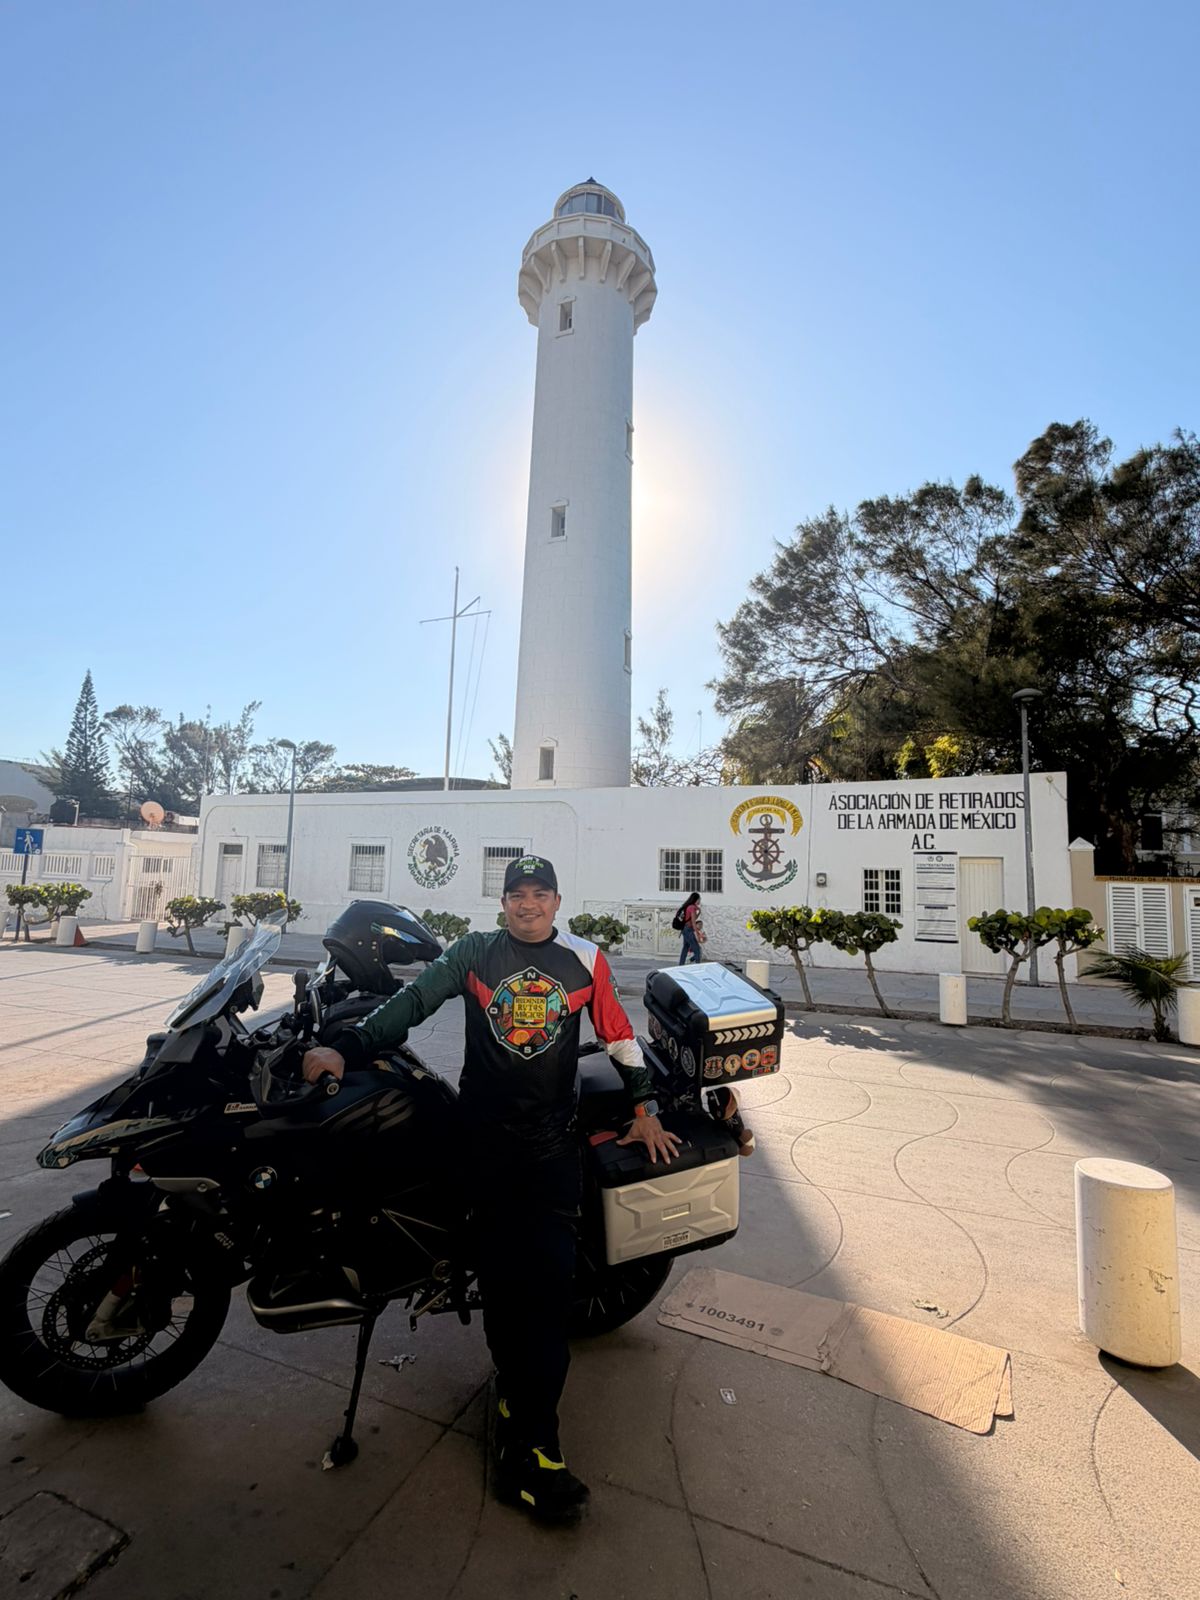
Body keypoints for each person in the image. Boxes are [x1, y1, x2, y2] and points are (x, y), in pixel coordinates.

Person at [301, 853, 680, 1523]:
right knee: (507, 1283)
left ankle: (533, 1446)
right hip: (484, 1140)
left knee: (542, 1291)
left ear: (558, 901)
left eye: (539, 894)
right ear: (503, 901)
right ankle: (518, 1405)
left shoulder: (584, 959)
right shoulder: (476, 953)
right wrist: (350, 1045)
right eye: (516, 894)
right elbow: (412, 1003)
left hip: (549, 1147)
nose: (527, 904)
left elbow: (618, 1039)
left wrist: (645, 1105)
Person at [678, 891, 704, 963]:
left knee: (685, 948)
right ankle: (698, 966)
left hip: (684, 929)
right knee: (697, 949)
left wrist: (698, 912)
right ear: (696, 899)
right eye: (699, 899)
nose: (700, 901)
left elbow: (691, 919)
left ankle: (681, 964)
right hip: (689, 930)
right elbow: (693, 922)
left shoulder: (688, 906)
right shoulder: (692, 908)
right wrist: (697, 934)